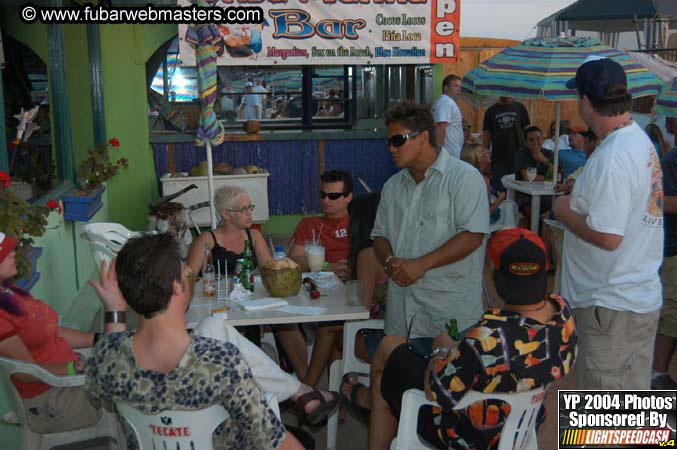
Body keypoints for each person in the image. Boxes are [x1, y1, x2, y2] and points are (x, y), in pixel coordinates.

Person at [85, 233, 335, 450]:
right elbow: (272, 439)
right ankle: (301, 392)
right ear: (177, 287)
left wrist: (114, 310)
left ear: (127, 296)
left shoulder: (107, 358)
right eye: (185, 271)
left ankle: (300, 392)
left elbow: (112, 349)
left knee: (213, 325)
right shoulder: (220, 361)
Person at [367, 228, 577, 450]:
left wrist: (442, 351)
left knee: (389, 350)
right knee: (391, 369)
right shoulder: (562, 315)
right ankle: (372, 398)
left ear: (496, 278)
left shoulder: (487, 338)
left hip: (469, 436)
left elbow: (435, 392)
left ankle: (371, 403)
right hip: (522, 425)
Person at [553, 57, 663, 390]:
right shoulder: (636, 139)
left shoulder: (614, 155)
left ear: (585, 102)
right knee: (624, 415)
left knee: (607, 425)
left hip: (612, 307)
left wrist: (562, 210)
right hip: (626, 300)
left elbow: (608, 235)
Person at [372, 100, 488, 355]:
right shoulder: (393, 186)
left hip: (448, 308)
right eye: (388, 142)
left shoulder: (464, 178)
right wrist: (390, 262)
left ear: (423, 137)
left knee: (447, 387)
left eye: (398, 140)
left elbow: (472, 237)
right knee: (401, 386)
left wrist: (421, 264)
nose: (391, 148)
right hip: (402, 310)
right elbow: (379, 235)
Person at [0, 232, 126, 433]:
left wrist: (98, 339)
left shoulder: (9, 294)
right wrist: (77, 367)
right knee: (133, 387)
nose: (13, 254)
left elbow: (52, 332)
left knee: (132, 358)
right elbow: (26, 373)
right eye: (4, 253)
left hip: (69, 380)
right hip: (52, 399)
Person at [304, 193, 386, 390]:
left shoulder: (369, 255)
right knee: (333, 335)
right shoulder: (391, 249)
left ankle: (307, 390)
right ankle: (337, 397)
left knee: (327, 330)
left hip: (381, 338)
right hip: (401, 332)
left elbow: (361, 312)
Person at [187, 185, 270, 276]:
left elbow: (269, 270)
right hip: (214, 289)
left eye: (250, 207)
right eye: (243, 209)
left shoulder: (254, 236)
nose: (250, 213)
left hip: (246, 289)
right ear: (226, 214)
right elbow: (189, 277)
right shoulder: (207, 239)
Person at [289, 170, 353, 281]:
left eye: (333, 196)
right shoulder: (309, 224)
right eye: (323, 195)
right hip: (321, 282)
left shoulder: (360, 222)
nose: (326, 200)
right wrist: (327, 267)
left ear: (348, 197)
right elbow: (294, 259)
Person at [652, 117, 677, 390]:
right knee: (672, 314)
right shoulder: (672, 161)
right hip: (673, 249)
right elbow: (662, 201)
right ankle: (657, 374)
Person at [482, 96, 530, 191]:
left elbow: (528, 131)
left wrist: (529, 152)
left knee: (519, 190)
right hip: (498, 159)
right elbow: (487, 135)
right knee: (500, 190)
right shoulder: (490, 111)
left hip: (519, 158)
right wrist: (485, 157)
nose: (506, 97)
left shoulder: (520, 107)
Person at [460, 143, 505, 224]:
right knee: (509, 210)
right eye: (484, 151)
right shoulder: (483, 179)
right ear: (477, 158)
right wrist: (500, 199)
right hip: (476, 224)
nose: (488, 151)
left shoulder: (463, 176)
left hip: (462, 219)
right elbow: (486, 214)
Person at [432, 74, 463, 158]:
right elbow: (440, 126)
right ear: (446, 88)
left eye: (460, 86)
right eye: (456, 86)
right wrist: (440, 151)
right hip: (448, 154)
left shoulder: (447, 102)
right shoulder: (445, 102)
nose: (459, 89)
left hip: (451, 153)